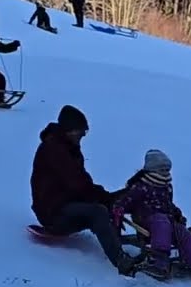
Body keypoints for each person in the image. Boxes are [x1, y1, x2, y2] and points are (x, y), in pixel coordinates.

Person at [30, 105, 140, 277]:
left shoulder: (68, 147)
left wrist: (107, 198)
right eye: (80, 132)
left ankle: (118, 240)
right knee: (98, 212)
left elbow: (82, 181)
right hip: (53, 211)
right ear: (69, 130)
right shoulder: (54, 149)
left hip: (65, 203)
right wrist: (104, 198)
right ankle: (121, 262)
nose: (82, 136)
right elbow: (77, 184)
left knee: (107, 205)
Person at [109, 150, 191, 282]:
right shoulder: (141, 187)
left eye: (167, 169)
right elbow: (125, 201)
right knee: (162, 221)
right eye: (162, 169)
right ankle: (159, 261)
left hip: (166, 221)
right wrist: (118, 210)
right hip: (146, 221)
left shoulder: (166, 187)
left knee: (182, 232)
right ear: (152, 169)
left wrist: (177, 214)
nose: (166, 172)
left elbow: (168, 205)